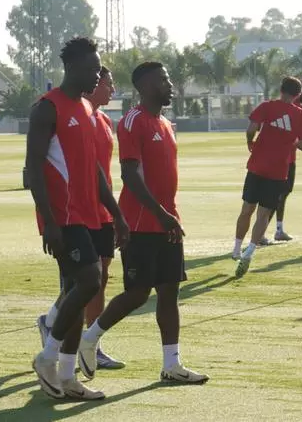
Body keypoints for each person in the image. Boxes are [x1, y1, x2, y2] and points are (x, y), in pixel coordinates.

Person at [78, 61, 208, 385]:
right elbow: (130, 175)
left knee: (169, 293)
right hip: (141, 223)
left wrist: (169, 216)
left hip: (167, 222)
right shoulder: (132, 121)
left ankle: (171, 364)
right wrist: (160, 214)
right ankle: (89, 338)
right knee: (137, 294)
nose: (170, 83)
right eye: (163, 79)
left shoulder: (165, 123)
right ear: (146, 85)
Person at [27, 37, 129, 400]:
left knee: (78, 290)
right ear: (70, 68)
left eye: (98, 69)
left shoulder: (88, 111)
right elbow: (33, 170)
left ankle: (68, 376)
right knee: (89, 281)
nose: (96, 75)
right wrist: (49, 221)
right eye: (91, 69)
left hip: (89, 214)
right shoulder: (47, 109)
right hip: (63, 217)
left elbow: (96, 170)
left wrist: (115, 213)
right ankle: (47, 356)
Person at [232, 77, 302, 277]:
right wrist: (288, 141)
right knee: (264, 213)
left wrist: (251, 142)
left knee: (246, 209)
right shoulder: (301, 115)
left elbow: (251, 129)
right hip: (278, 169)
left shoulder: (267, 107)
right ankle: (250, 251)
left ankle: (236, 249)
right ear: (298, 94)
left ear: (280, 89)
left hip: (257, 165)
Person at [267, 79, 302, 242]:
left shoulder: (299, 110)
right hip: (282, 159)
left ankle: (278, 229)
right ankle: (264, 231)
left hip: (289, 158)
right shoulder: (297, 111)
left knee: (283, 194)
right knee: (274, 196)